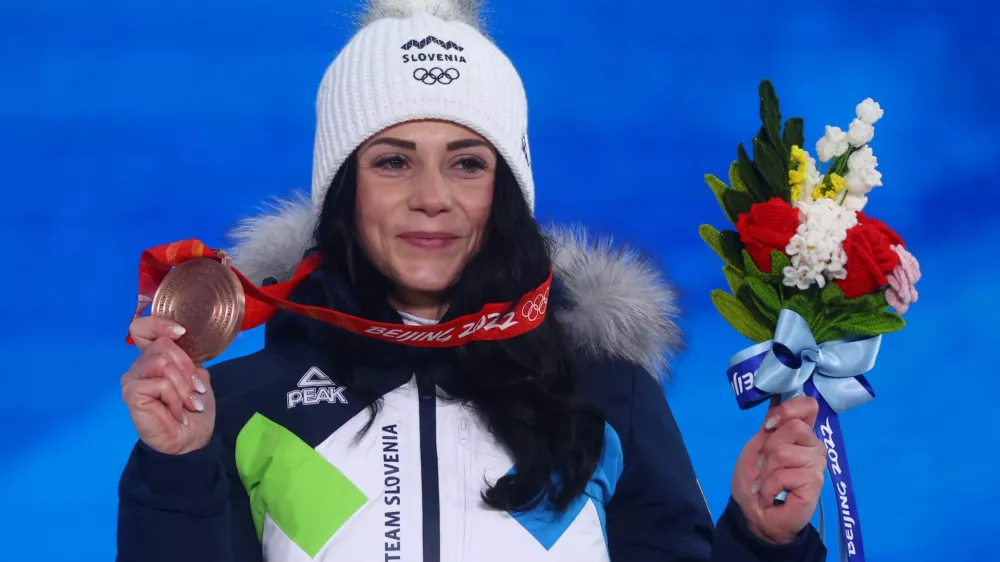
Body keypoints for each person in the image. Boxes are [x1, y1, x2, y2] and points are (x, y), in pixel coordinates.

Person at [116, 1, 829, 560]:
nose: (433, 196)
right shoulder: (247, 407)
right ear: (344, 192)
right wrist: (177, 469)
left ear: (507, 191)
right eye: (393, 161)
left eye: (467, 163)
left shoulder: (606, 396)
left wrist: (763, 543)